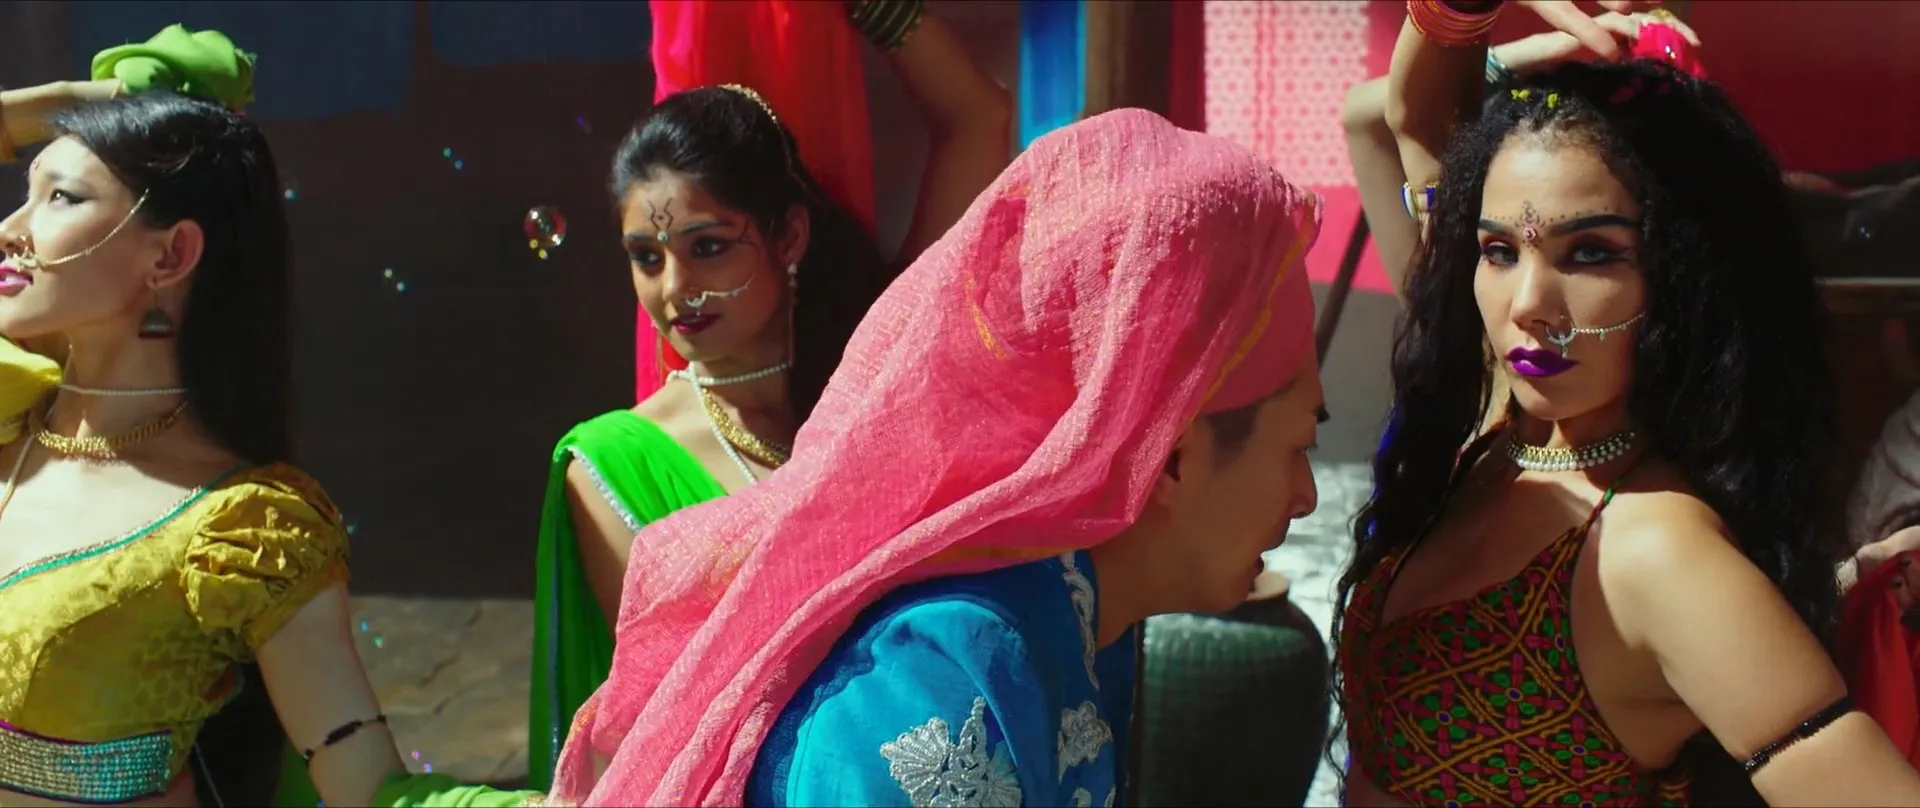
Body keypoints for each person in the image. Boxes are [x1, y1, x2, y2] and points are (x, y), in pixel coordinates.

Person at [1333, 1, 1920, 804]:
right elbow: (1413, 118)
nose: (1529, 304)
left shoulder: (1658, 553)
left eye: (1591, 253)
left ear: (1684, 276)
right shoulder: (1504, 418)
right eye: (1499, 250)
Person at [528, 1, 1012, 791]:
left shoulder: (884, 371)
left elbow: (978, 119)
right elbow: (673, 725)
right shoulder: (614, 467)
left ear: (789, 236)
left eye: (709, 247)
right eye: (647, 257)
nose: (674, 289)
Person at [0, 85, 405, 808]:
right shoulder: (9, 422)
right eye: (23, 194)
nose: (10, 228)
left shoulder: (242, 529)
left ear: (172, 254)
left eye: (59, 197)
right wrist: (79, 99)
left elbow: (364, 782)